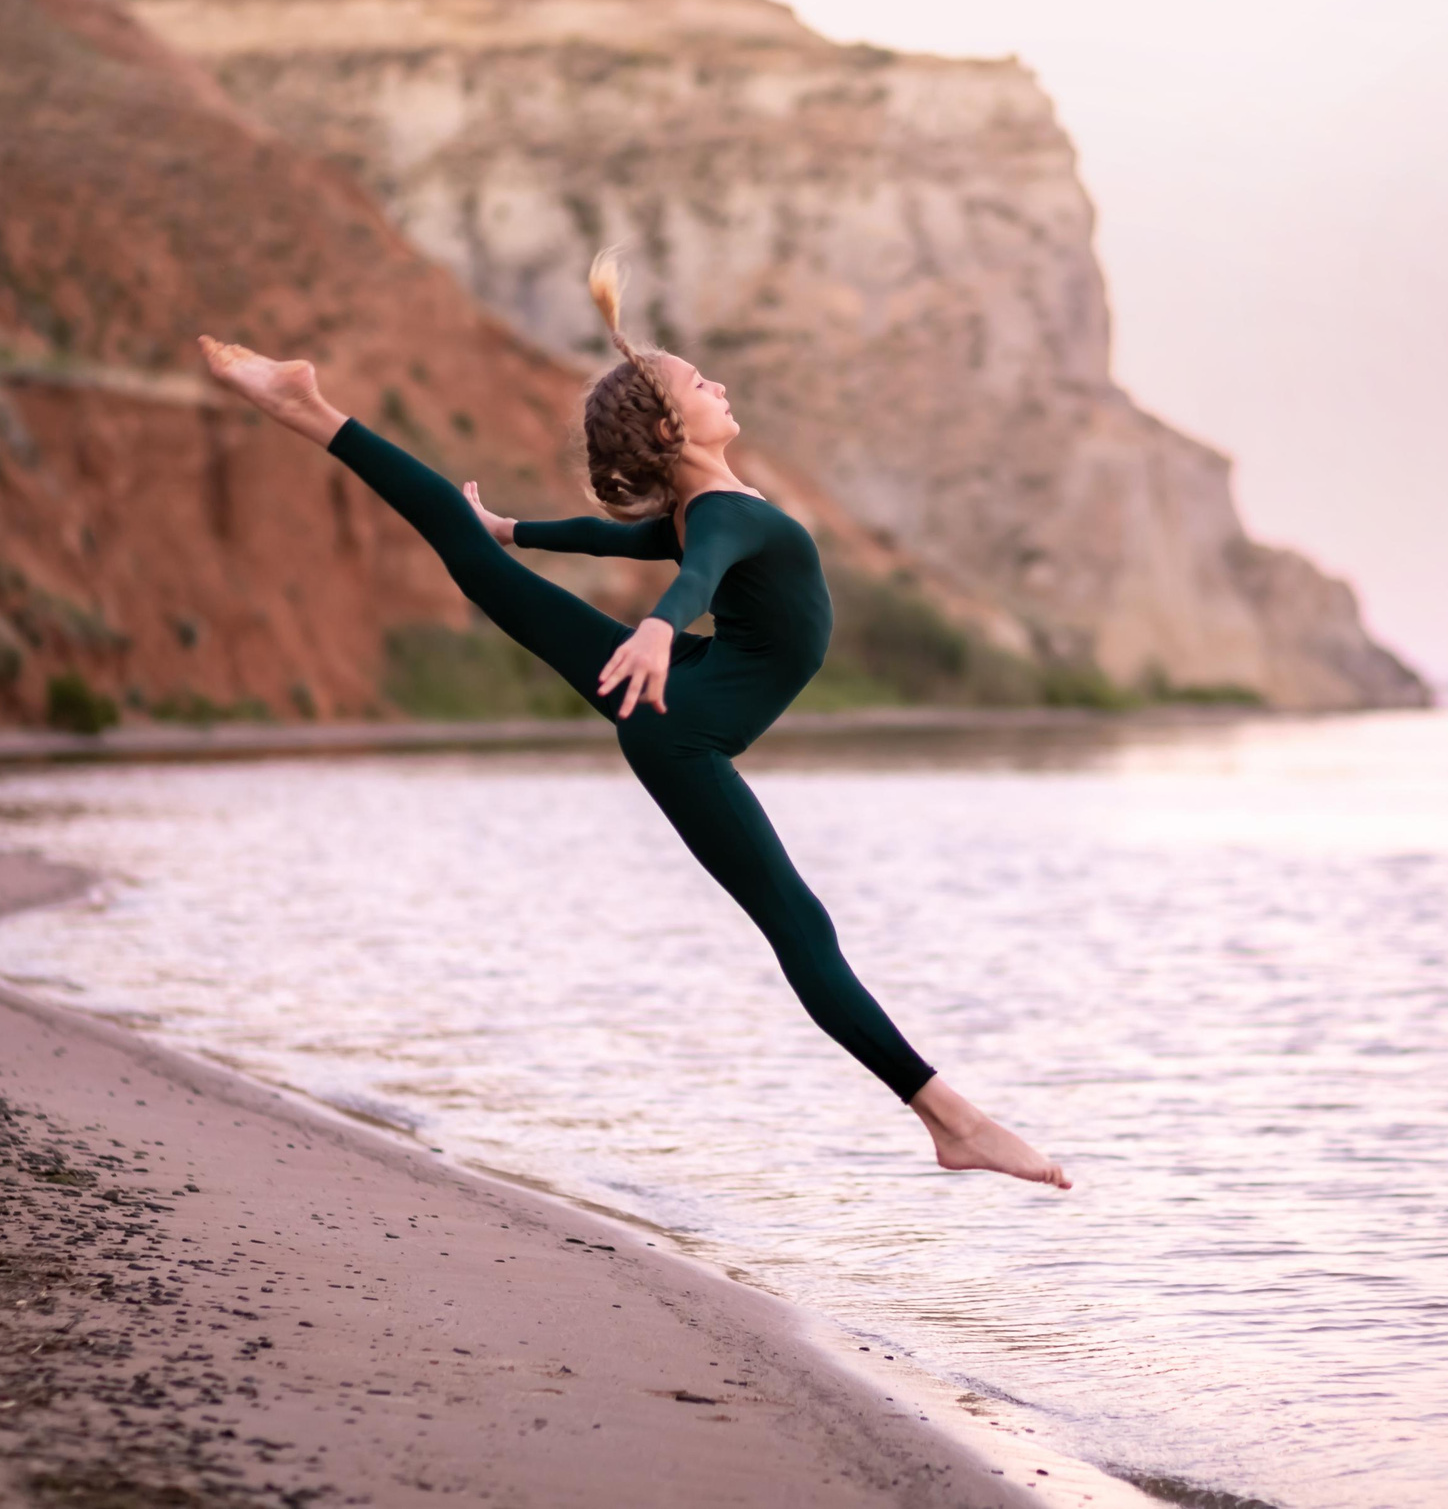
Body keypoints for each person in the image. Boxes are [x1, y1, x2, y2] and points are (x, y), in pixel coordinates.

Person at [197, 251, 1069, 1188]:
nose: (720, 382)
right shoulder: (724, 512)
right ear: (669, 423)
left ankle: (303, 408)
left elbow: (629, 539)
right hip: (679, 714)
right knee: (801, 928)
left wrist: (517, 533)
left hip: (682, 685)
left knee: (468, 546)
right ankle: (950, 1117)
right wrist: (655, 629)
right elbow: (689, 576)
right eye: (701, 381)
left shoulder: (707, 505)